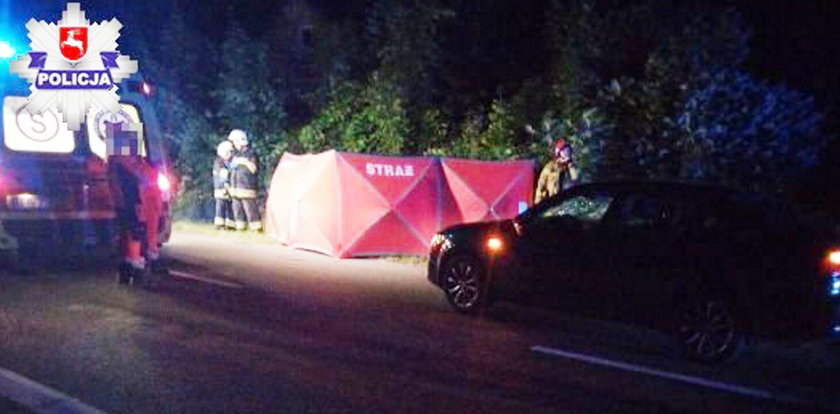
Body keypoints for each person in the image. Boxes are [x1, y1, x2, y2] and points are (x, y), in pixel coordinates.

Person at [105, 122, 165, 285]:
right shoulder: (124, 161)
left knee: (129, 235)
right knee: (134, 233)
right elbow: (143, 176)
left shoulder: (117, 160)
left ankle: (129, 266)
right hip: (132, 203)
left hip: (129, 204)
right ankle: (136, 266)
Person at [228, 129, 262, 231]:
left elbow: (254, 169)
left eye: (235, 141)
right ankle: (240, 227)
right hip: (235, 188)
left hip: (247, 187)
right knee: (237, 209)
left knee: (250, 209)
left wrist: (244, 162)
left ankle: (256, 228)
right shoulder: (236, 154)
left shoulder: (251, 153)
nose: (234, 144)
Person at [534, 139, 579, 204]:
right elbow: (541, 188)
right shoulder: (550, 168)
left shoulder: (574, 166)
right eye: (564, 150)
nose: (567, 152)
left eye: (568, 150)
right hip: (555, 202)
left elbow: (577, 181)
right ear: (558, 153)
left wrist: (571, 165)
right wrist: (538, 204)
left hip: (571, 201)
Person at [213, 140, 235, 230]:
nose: (230, 154)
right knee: (221, 206)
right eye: (229, 152)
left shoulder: (226, 162)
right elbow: (223, 175)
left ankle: (230, 224)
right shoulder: (219, 162)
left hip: (225, 188)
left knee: (229, 206)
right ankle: (219, 224)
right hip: (221, 188)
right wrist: (226, 186)